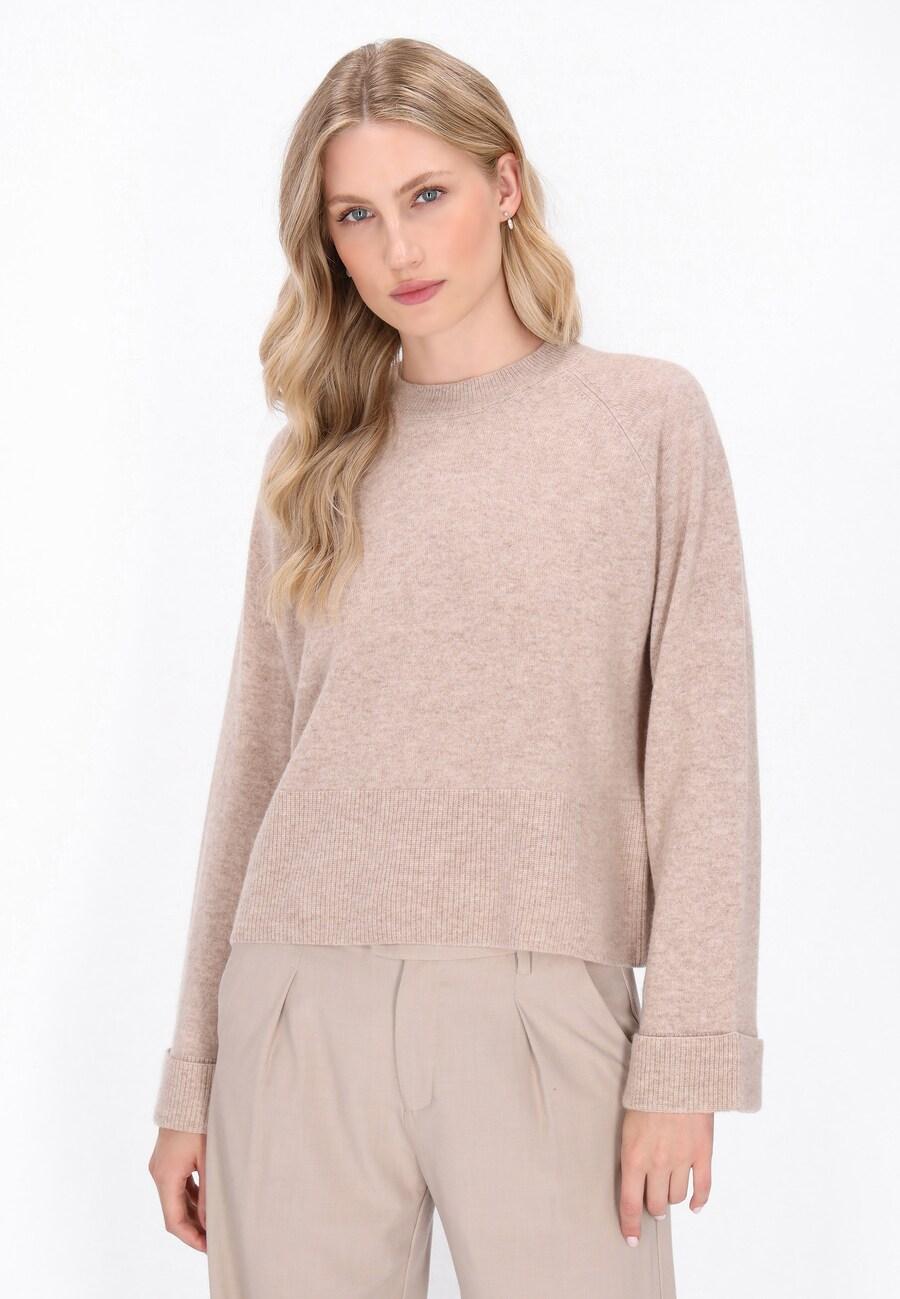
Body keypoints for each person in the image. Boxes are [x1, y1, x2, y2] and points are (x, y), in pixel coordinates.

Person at [147, 36, 763, 1298]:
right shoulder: (311, 465)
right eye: (356, 217)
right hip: (296, 1007)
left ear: (506, 184)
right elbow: (252, 768)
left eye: (427, 195)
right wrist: (191, 1079)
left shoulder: (645, 421)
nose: (399, 249)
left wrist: (687, 1059)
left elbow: (705, 759)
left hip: (546, 1008)